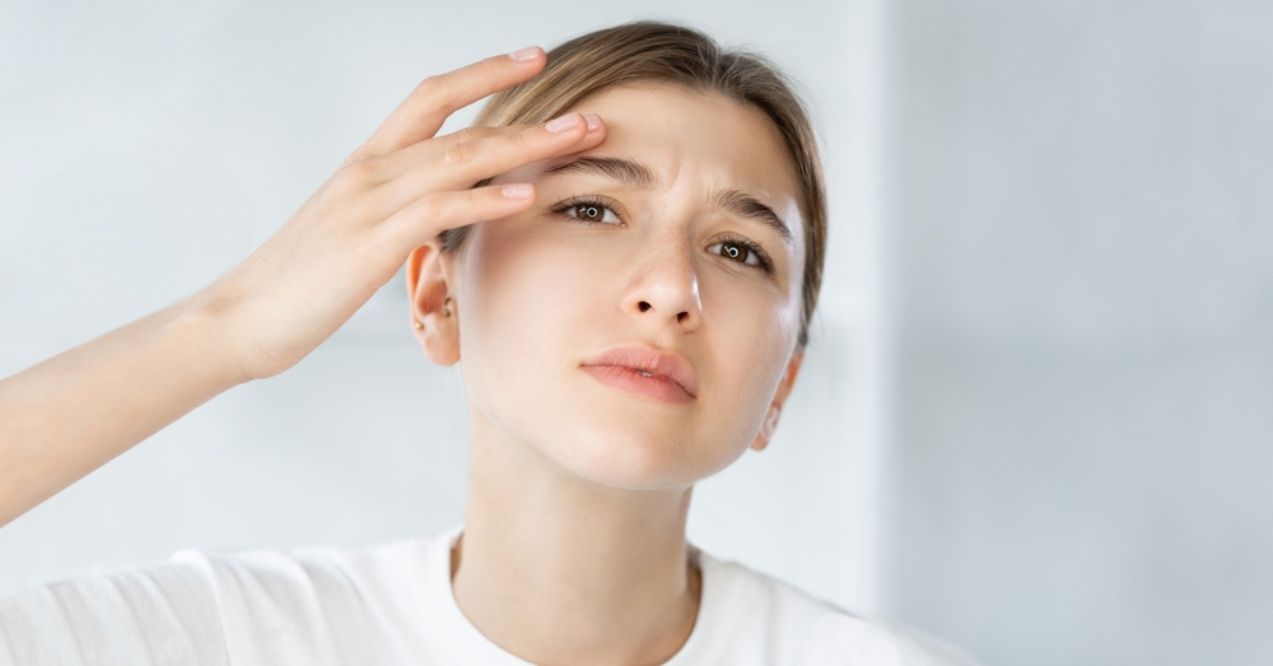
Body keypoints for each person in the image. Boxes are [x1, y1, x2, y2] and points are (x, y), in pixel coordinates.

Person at [0, 20, 982, 666]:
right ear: (434, 296)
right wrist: (226, 329)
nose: (670, 290)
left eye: (738, 248)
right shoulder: (223, 640)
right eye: (593, 207)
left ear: (783, 386)